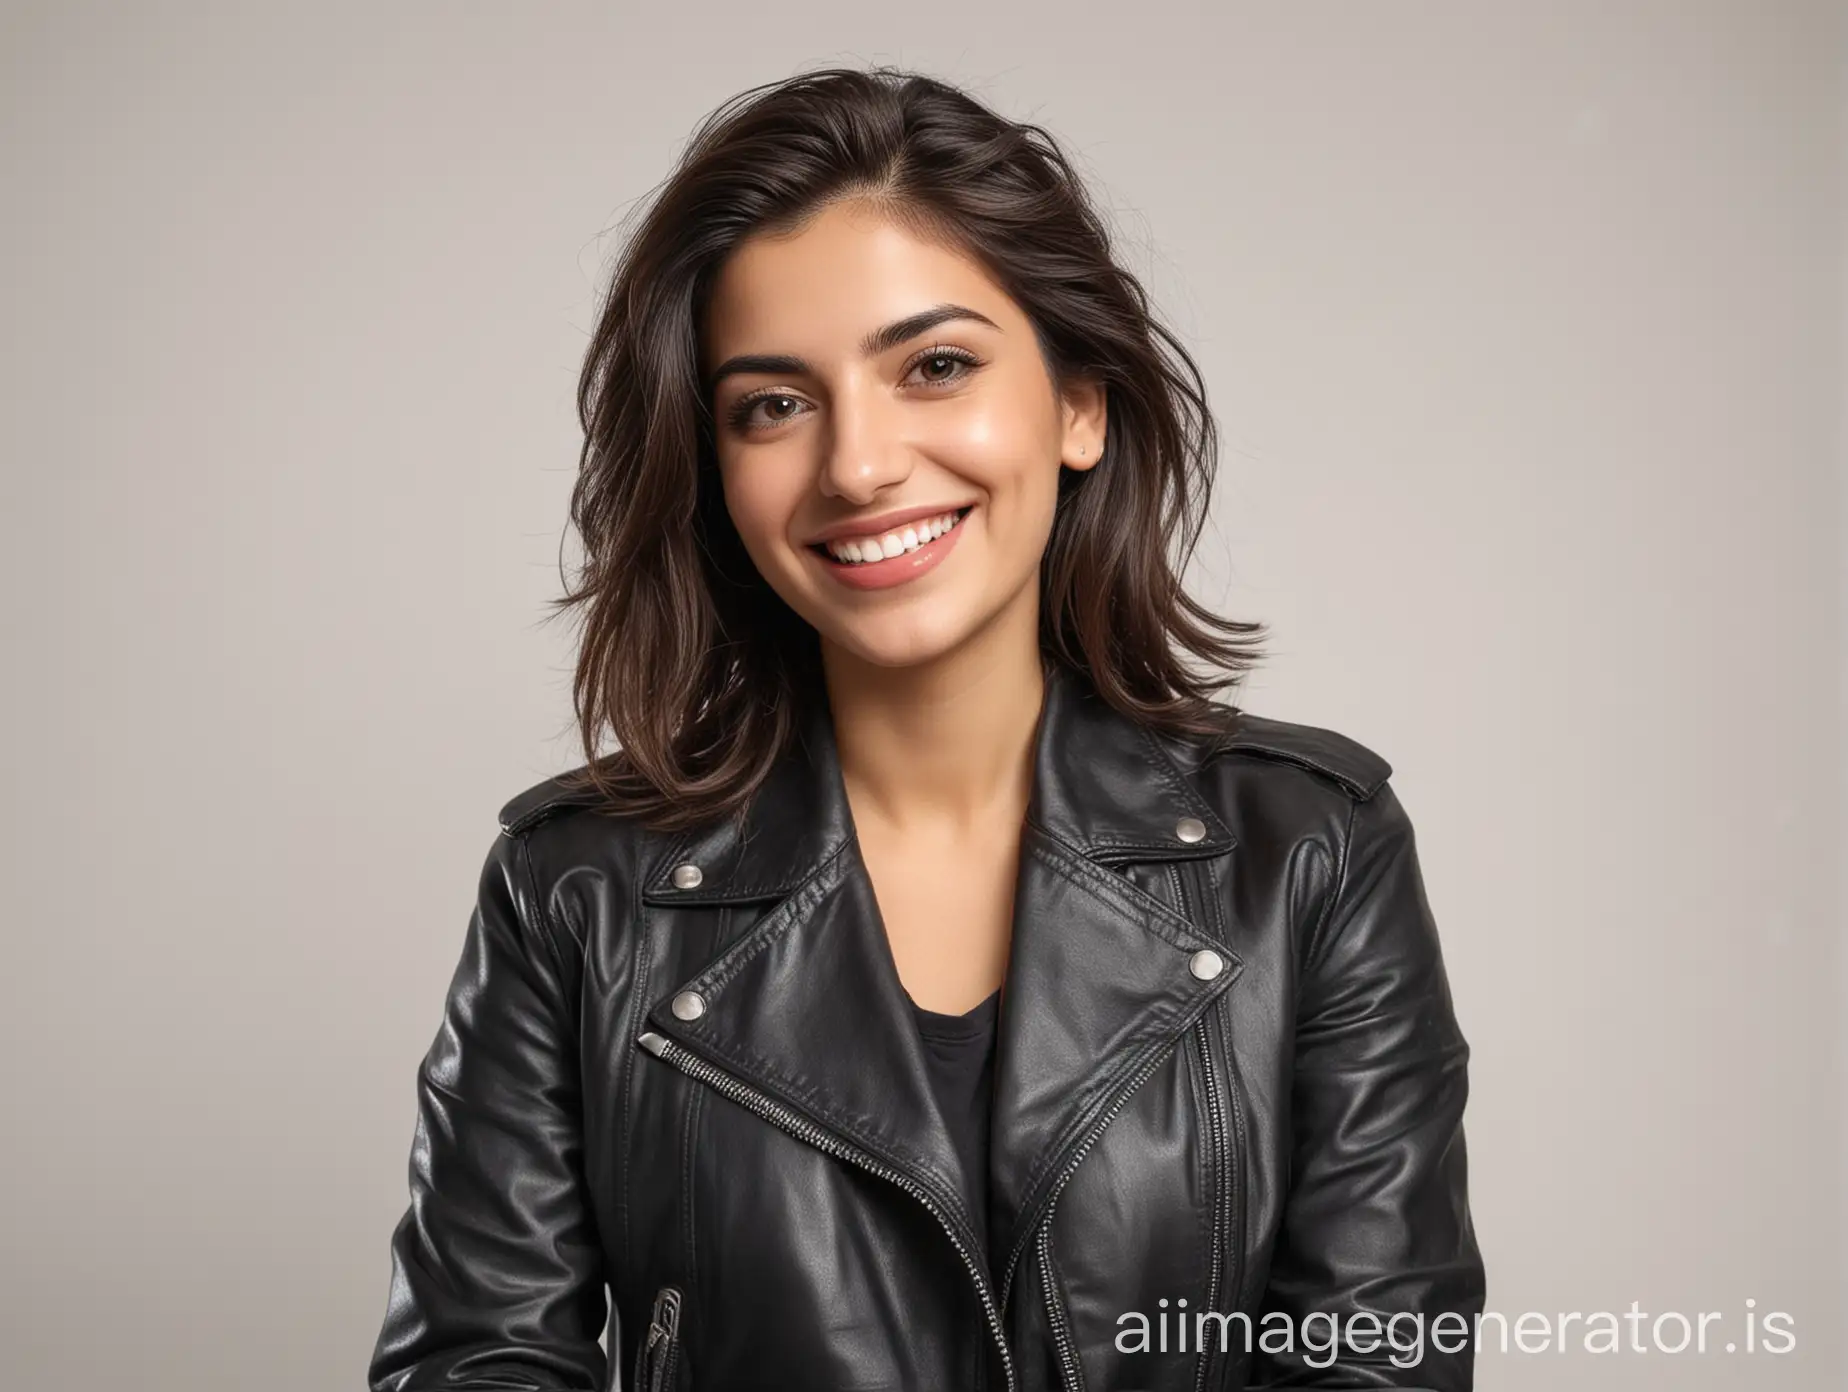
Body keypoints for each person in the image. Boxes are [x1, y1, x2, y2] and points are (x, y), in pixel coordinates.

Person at [367, 64, 1484, 1392]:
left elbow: (1378, 1363)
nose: (857, 464)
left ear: (1080, 404)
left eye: (935, 366)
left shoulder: (1310, 855)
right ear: (715, 467)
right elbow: (476, 1363)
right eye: (773, 405)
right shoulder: (575, 892)